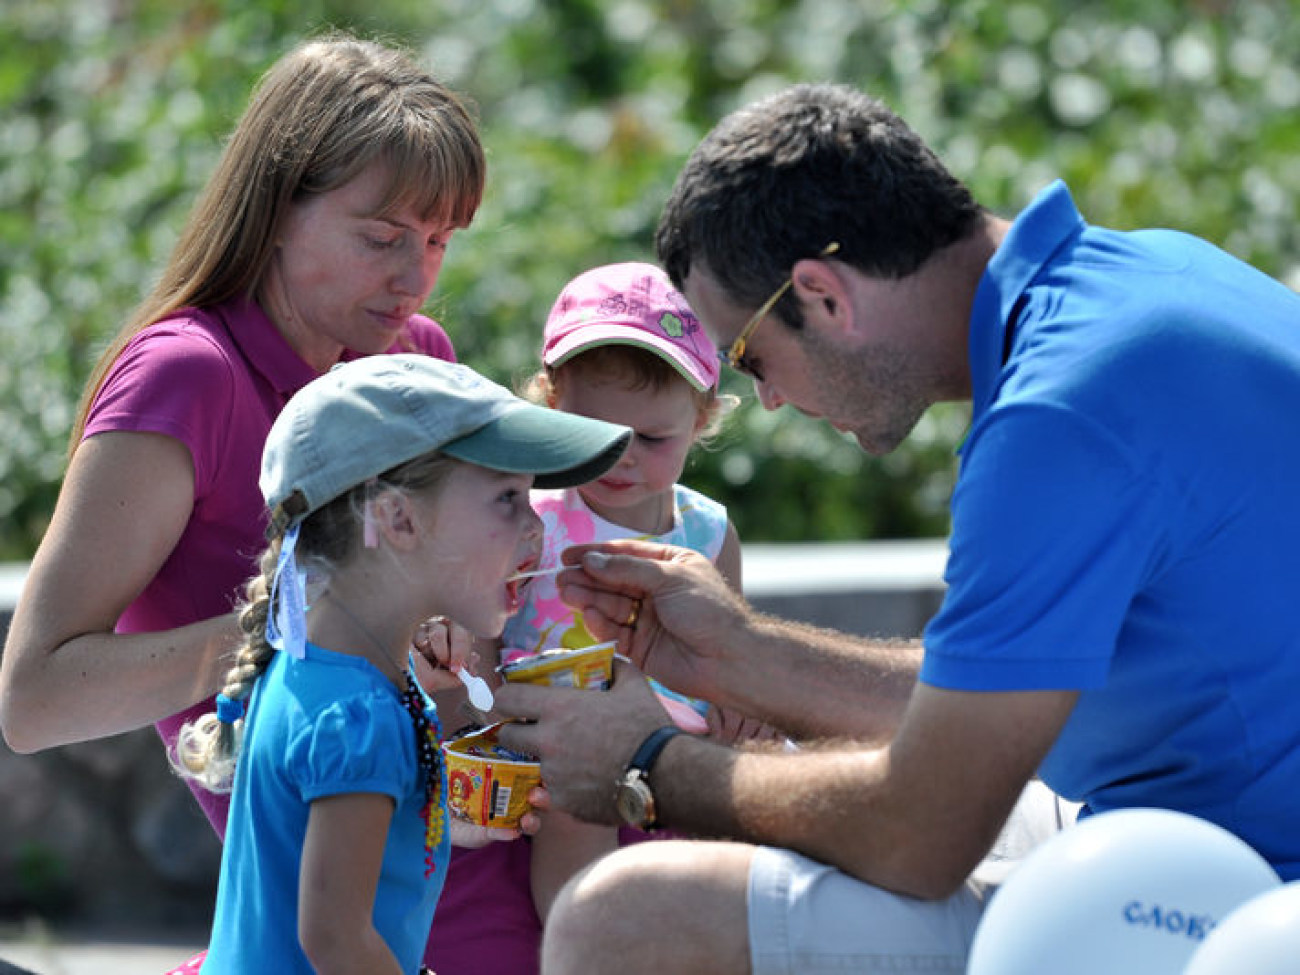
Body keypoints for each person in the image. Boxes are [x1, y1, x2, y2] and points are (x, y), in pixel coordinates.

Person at [490, 81, 1300, 973]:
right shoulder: (1148, 274)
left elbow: (924, 834)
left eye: (752, 356)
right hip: (1192, 829)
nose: (768, 397)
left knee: (618, 916)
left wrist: (647, 762)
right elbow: (987, 702)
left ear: (823, 295)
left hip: (1242, 889)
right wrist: (737, 654)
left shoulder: (1056, 421)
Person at [0, 34, 487, 840]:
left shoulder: (417, 357)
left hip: (449, 816)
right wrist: (307, 624)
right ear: (276, 212)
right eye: (382, 236)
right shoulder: (187, 378)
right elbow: (33, 699)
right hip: (324, 883)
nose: (416, 276)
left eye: (439, 240)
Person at [168, 354, 633, 973]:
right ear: (397, 519)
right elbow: (335, 940)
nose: (536, 529)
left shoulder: (321, 667)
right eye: (507, 499)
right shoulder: (360, 718)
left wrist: (443, 811)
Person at [428, 261, 773, 975]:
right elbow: (487, 638)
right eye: (595, 429)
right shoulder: (534, 520)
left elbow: (731, 652)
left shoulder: (707, 531)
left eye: (653, 438)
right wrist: (481, 722)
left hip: (673, 735)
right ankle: (586, 935)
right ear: (553, 400)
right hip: (553, 736)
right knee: (573, 809)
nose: (622, 456)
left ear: (701, 419)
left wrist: (743, 709)